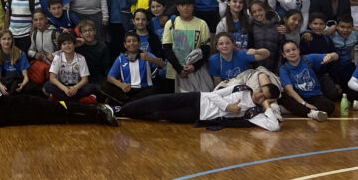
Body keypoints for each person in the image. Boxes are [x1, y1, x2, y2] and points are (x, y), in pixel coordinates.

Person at [115, 71, 283, 131]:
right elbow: (213, 94)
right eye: (261, 91)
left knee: (161, 114)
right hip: (198, 97)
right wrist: (228, 107)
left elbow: (274, 126)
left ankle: (129, 114)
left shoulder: (255, 114)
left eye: (264, 97)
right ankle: (121, 109)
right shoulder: (241, 88)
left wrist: (267, 106)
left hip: (199, 115)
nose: (259, 96)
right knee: (161, 100)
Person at [0, 91, 118, 128]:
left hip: (26, 103)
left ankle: (97, 108)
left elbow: (0, 96)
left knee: (62, 107)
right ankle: (98, 118)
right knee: (65, 119)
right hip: (28, 118)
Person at [277, 40, 341, 120]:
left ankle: (296, 111)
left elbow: (336, 55)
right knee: (282, 97)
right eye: (288, 51)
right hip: (298, 98)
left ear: (299, 50)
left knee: (330, 106)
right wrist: (304, 103)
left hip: (315, 96)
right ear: (284, 55)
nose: (292, 53)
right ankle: (311, 113)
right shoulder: (284, 69)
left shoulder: (309, 59)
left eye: (294, 49)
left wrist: (330, 57)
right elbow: (289, 90)